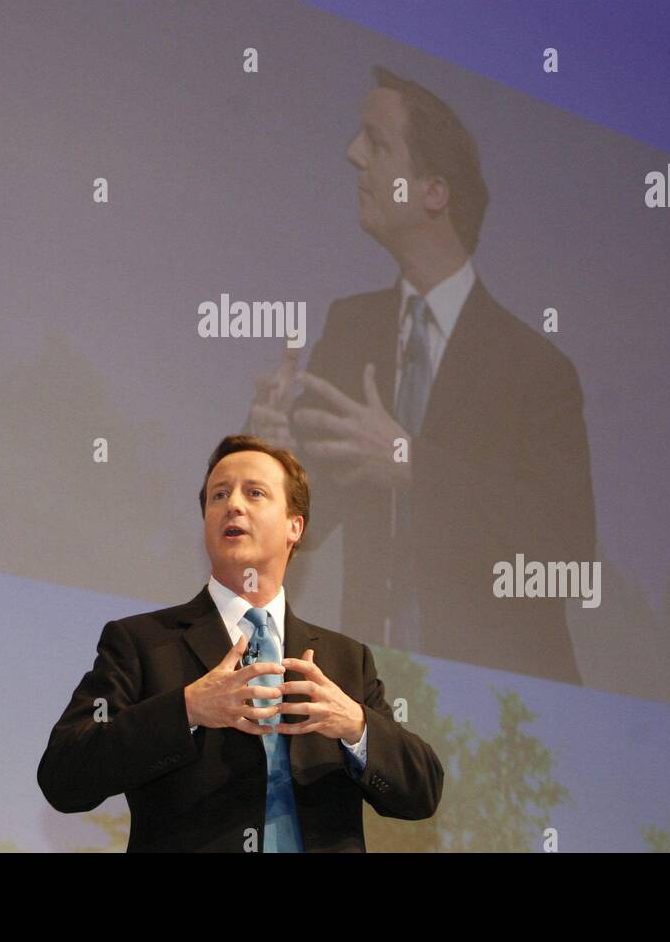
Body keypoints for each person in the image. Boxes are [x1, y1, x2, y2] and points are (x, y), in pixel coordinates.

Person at [246, 66, 595, 684]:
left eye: (377, 145)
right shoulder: (350, 329)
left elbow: (565, 552)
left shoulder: (537, 370)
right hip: (369, 707)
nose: (353, 156)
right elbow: (307, 530)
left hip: (507, 715)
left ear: (434, 192)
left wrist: (411, 463)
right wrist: (266, 467)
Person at [37, 434, 444, 852]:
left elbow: (422, 792)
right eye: (218, 495)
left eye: (255, 493)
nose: (233, 504)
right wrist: (188, 708)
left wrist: (356, 726)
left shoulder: (346, 660)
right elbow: (64, 777)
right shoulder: (142, 643)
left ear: (294, 526)